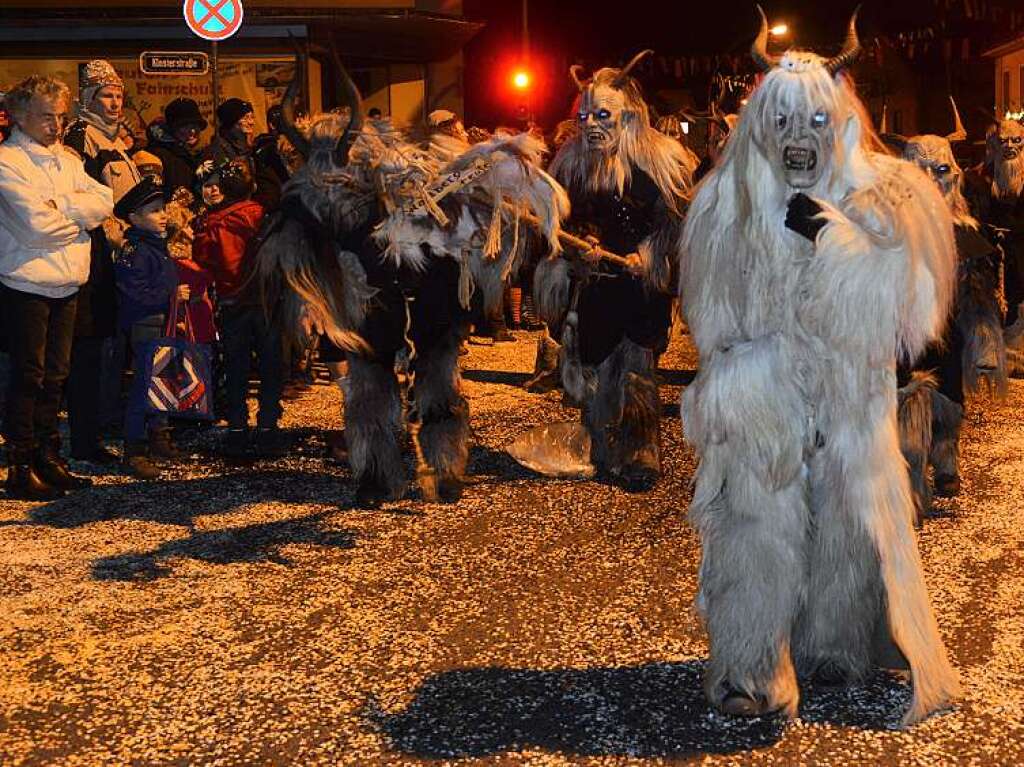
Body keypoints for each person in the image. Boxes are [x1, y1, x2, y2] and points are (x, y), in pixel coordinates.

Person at [679, 10, 960, 724]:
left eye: (814, 123)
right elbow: (711, 316)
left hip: (847, 397)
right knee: (752, 528)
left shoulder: (880, 197)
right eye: (785, 124)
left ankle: (833, 647)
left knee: (848, 524)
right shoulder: (725, 203)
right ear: (762, 127)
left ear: (836, 124)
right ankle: (749, 667)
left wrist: (836, 240)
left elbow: (914, 315)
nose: (800, 141)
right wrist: (746, 380)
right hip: (763, 400)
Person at [537, 50, 696, 490]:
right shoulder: (570, 164)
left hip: (642, 284)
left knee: (637, 365)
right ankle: (601, 444)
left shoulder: (661, 162)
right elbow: (561, 220)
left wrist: (650, 254)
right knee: (597, 362)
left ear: (625, 117)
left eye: (601, 115)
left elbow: (676, 222)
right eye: (585, 115)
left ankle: (641, 451)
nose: (590, 125)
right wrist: (576, 247)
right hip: (596, 284)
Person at [886, 101, 1006, 515]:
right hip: (903, 328)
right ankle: (910, 474)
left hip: (949, 327)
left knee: (949, 395)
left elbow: (979, 293)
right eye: (920, 172)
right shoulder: (890, 227)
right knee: (907, 395)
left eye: (939, 172)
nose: (930, 183)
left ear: (951, 174)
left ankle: (946, 462)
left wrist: (986, 341)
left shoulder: (966, 232)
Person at [0, 75, 113, 500]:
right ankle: (20, 464)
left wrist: (63, 209)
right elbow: (35, 226)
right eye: (47, 116)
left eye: (61, 116)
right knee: (28, 376)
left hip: (68, 280)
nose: (57, 125)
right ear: (21, 116)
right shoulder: (7, 162)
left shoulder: (66, 159)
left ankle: (49, 455)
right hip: (25, 280)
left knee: (56, 376)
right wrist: (78, 217)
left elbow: (104, 200)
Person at [63, 59, 142, 464]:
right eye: (105, 96)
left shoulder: (116, 140)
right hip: (95, 261)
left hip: (117, 261)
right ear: (88, 100)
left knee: (108, 350)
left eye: (117, 96)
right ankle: (84, 436)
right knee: (89, 351)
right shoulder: (82, 139)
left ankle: (97, 427)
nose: (113, 103)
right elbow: (87, 201)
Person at [192, 158, 283, 458]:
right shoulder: (260, 215)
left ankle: (237, 428)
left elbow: (205, 262)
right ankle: (268, 427)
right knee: (271, 366)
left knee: (236, 367)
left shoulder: (213, 224)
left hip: (232, 304)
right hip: (266, 302)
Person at [112, 177, 190, 479]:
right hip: (146, 326)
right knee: (145, 385)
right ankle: (134, 449)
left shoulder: (156, 247)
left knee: (162, 381)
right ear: (134, 218)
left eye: (163, 209)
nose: (164, 215)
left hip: (163, 323)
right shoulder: (136, 250)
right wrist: (170, 296)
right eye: (155, 211)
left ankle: (160, 436)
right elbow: (134, 291)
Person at [148, 97, 208, 198]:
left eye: (195, 125)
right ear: (172, 129)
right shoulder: (160, 155)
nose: (192, 131)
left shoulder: (194, 154)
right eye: (185, 126)